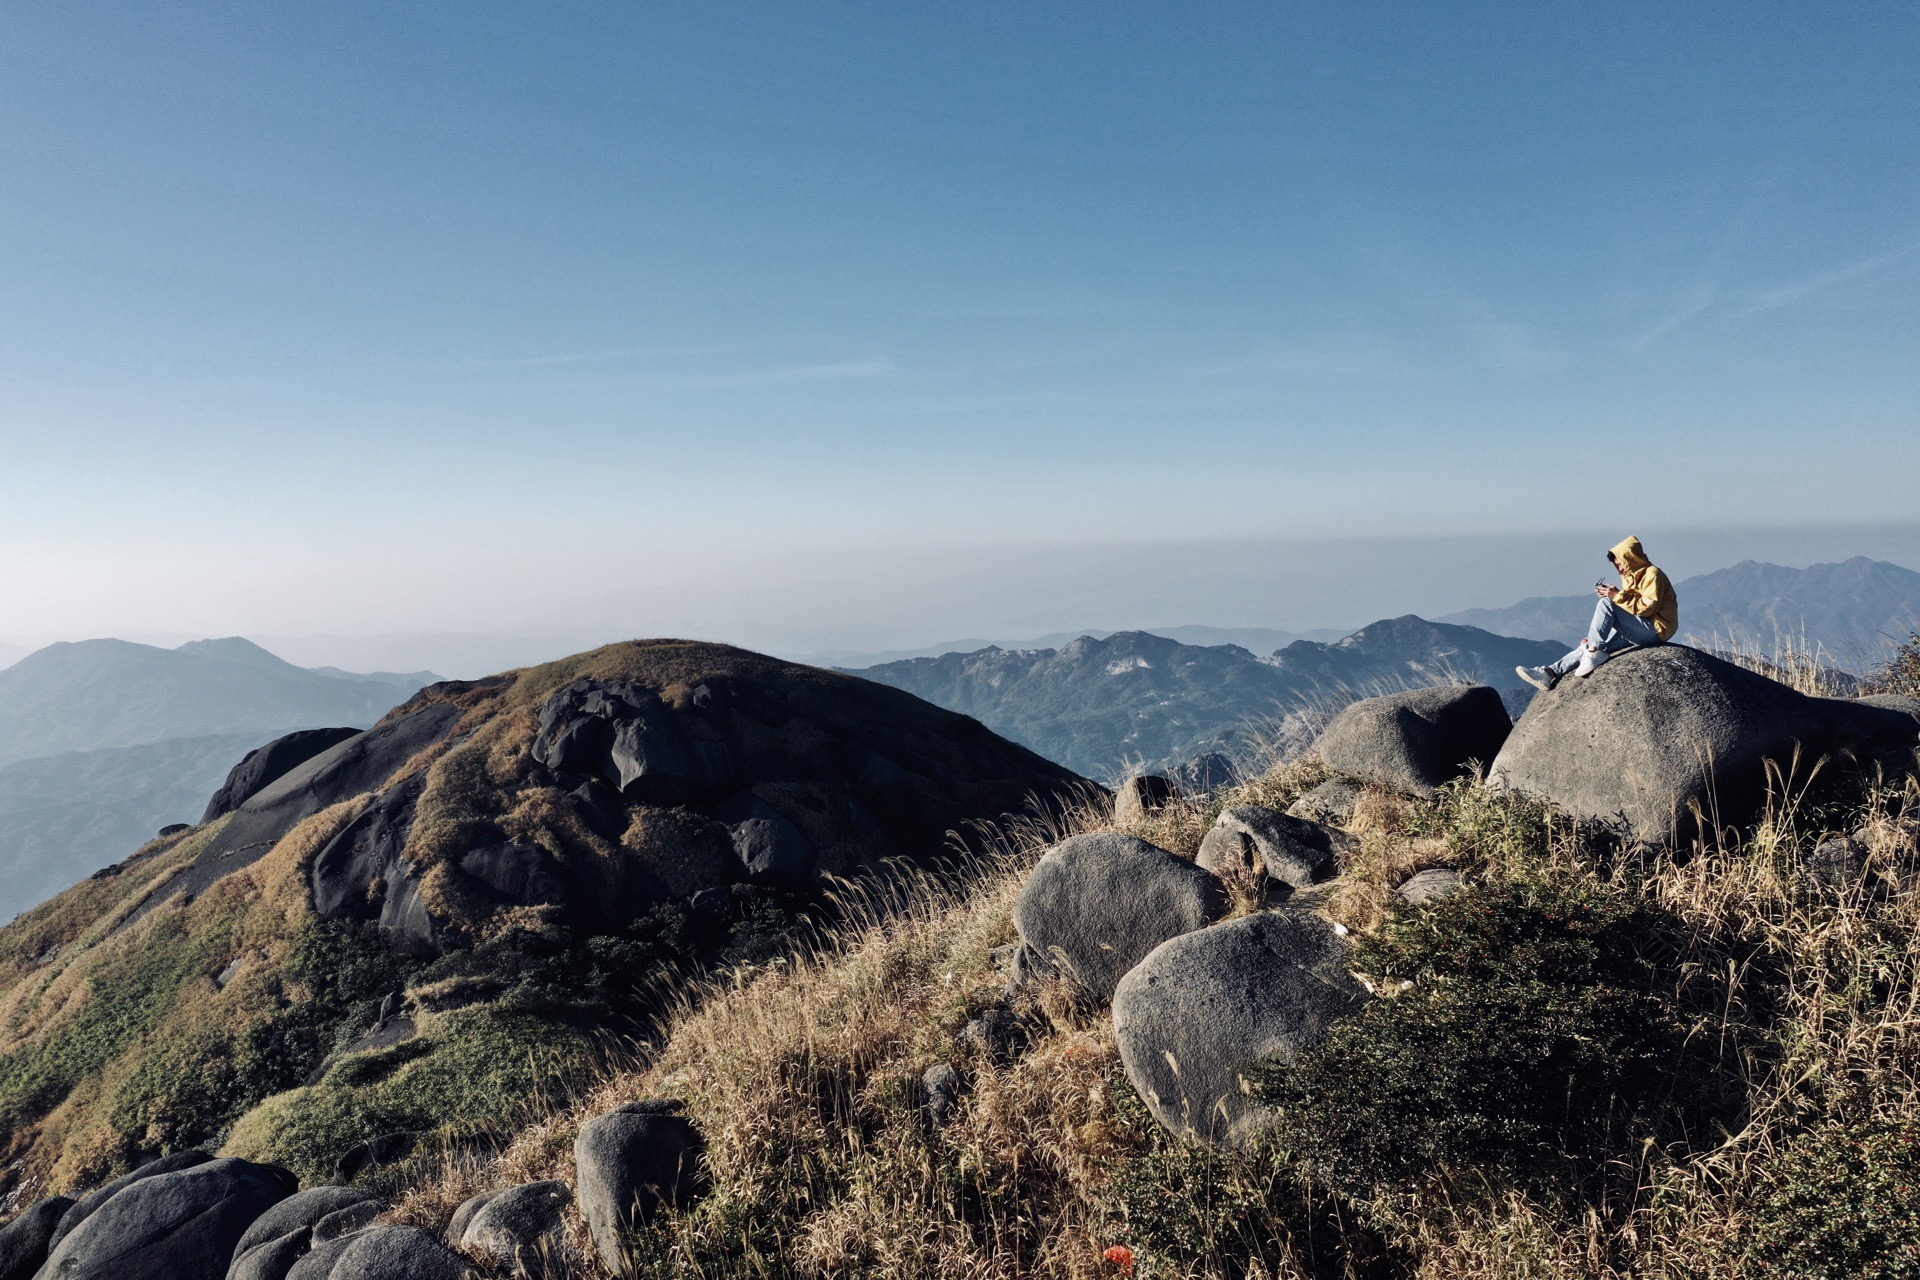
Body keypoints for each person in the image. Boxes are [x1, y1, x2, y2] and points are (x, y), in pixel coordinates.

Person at [1516, 536, 1678, 691]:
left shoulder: (1653, 575)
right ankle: (1550, 673)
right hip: (1639, 626)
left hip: (1656, 629)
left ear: (1632, 559)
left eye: (1621, 564)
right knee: (1586, 646)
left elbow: (1648, 608)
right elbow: (1631, 608)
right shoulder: (1630, 577)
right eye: (1616, 565)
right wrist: (1595, 635)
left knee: (1607, 603)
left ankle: (1594, 650)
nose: (1620, 569)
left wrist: (1616, 595)